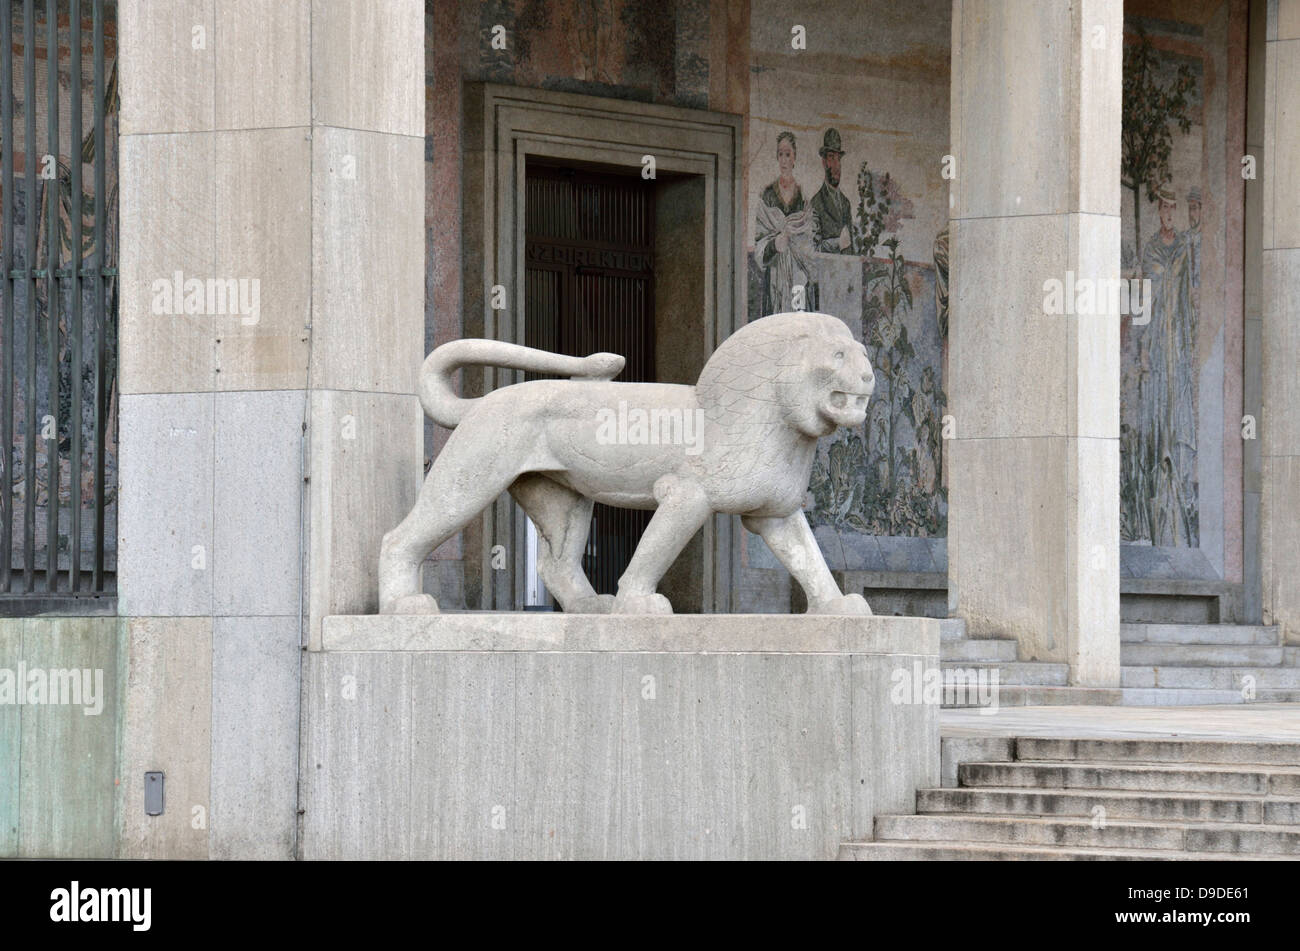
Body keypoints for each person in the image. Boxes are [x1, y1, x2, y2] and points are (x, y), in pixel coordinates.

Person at [1136, 183, 1198, 546]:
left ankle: (1179, 490)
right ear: (1159, 211)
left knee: (1177, 408)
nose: (1169, 214)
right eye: (1164, 209)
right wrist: (1143, 346)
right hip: (1158, 341)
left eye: (1173, 209)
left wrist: (1188, 343)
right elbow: (1144, 298)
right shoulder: (1151, 250)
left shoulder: (1184, 249)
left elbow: (1189, 297)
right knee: (1157, 409)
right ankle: (1156, 489)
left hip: (1178, 344)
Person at [754, 131, 814, 315]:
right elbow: (760, 239)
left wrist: (794, 243)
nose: (784, 160)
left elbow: (807, 238)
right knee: (776, 323)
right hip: (774, 274)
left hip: (798, 273)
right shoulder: (767, 194)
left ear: (794, 157)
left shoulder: (803, 196)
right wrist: (774, 244)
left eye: (788, 154)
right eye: (780, 154)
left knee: (798, 322)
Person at [810, 129, 853, 254]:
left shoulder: (846, 203)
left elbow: (851, 248)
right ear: (824, 162)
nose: (836, 164)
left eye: (839, 159)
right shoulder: (816, 203)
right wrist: (837, 243)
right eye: (831, 157)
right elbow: (814, 249)